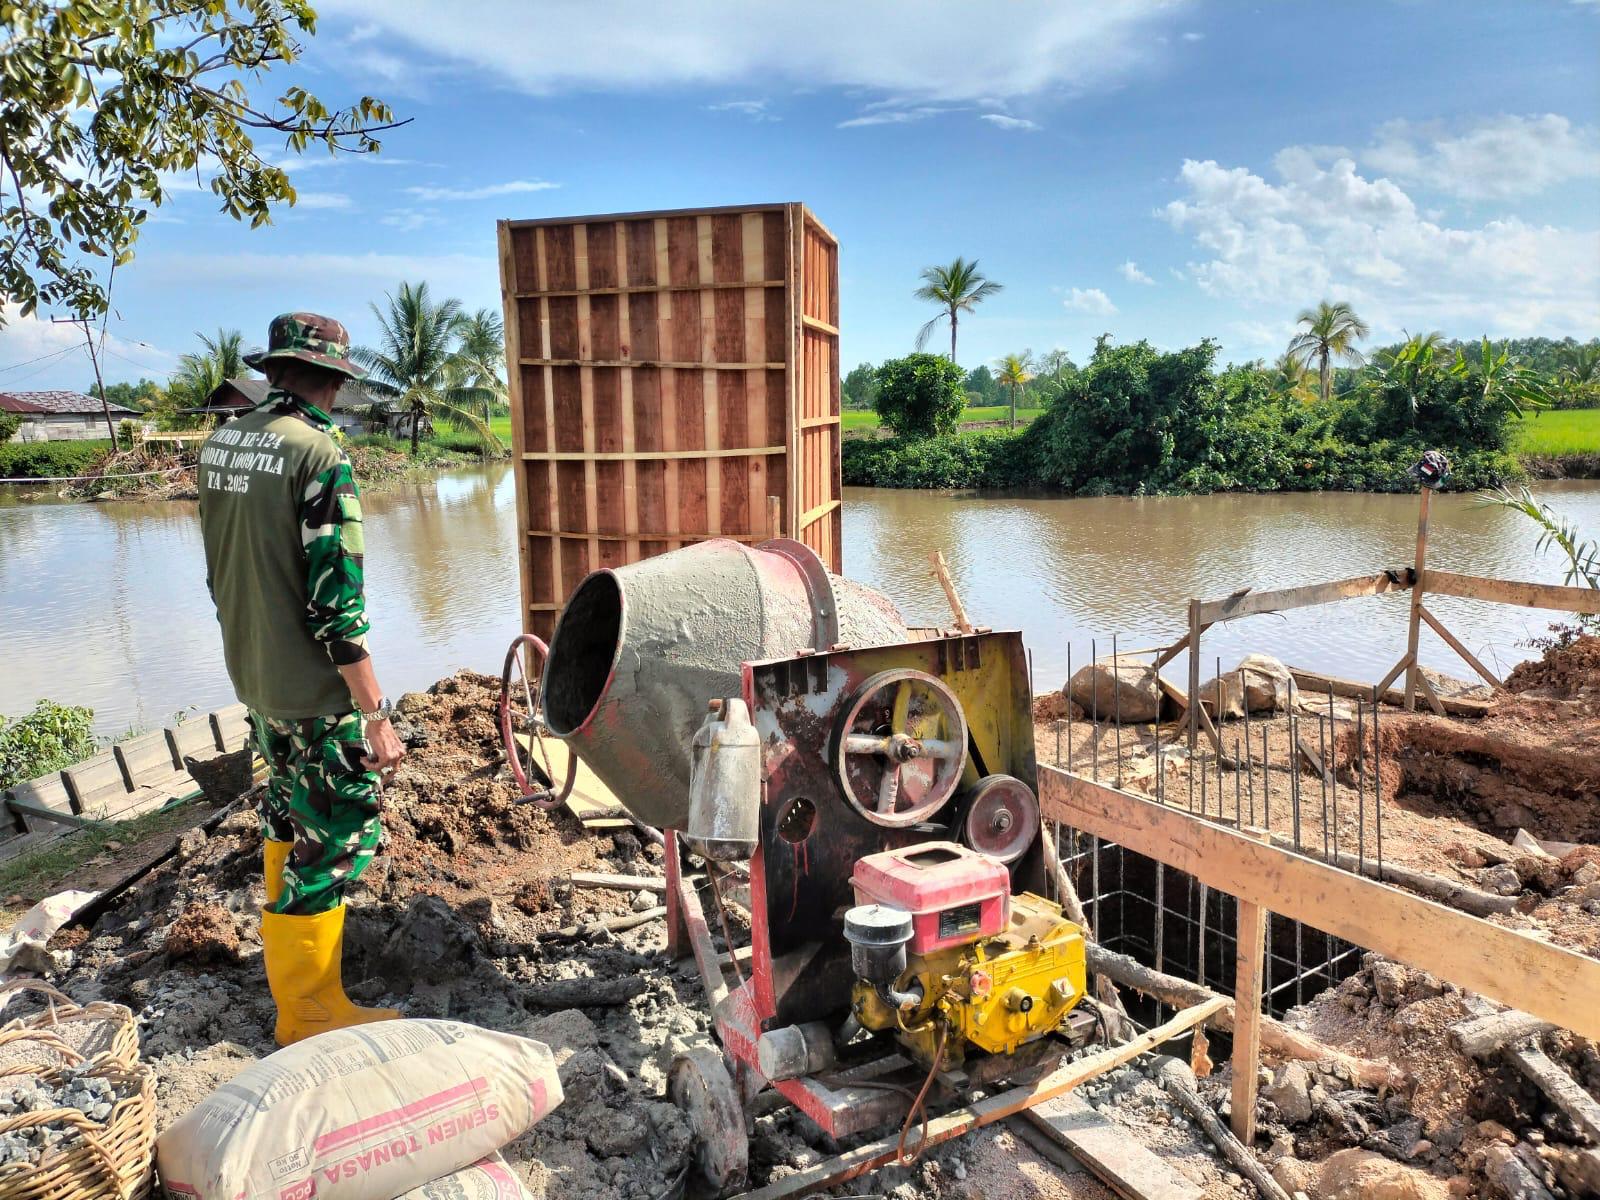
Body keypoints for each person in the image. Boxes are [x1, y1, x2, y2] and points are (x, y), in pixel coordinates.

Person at [196, 311, 406, 1046]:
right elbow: (336, 606)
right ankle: (311, 1011)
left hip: (257, 678)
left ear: (276, 370)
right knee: (338, 833)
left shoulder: (225, 442)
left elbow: (220, 571)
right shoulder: (317, 453)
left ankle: (294, 992)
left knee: (287, 814)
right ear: (332, 380)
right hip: (317, 695)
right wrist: (375, 714)